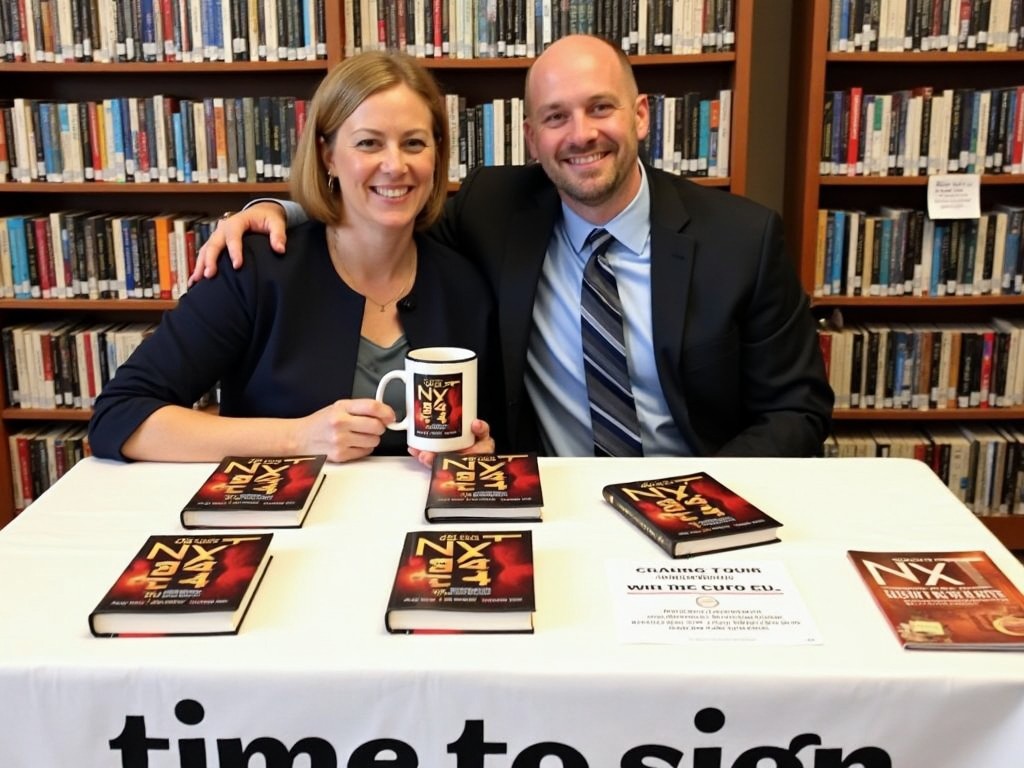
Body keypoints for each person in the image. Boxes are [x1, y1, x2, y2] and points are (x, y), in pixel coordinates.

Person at [193, 34, 833, 460]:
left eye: (600, 108)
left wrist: (694, 496)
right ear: (531, 136)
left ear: (640, 115)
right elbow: (383, 205)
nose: (580, 135)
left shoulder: (743, 239)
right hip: (547, 506)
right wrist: (279, 207)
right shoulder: (494, 211)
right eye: (555, 116)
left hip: (695, 506)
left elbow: (797, 413)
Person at [88, 51, 499, 463]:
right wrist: (297, 438)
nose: (395, 165)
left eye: (414, 143)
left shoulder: (465, 286)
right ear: (327, 155)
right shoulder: (255, 270)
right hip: (279, 524)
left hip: (414, 521)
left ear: (436, 153)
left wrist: (480, 445)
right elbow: (118, 416)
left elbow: (490, 429)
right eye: (368, 143)